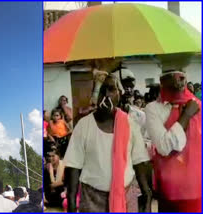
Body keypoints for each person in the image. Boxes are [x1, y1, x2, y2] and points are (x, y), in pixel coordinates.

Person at [64, 74, 152, 212]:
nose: (106, 95)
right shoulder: (84, 125)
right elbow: (74, 166)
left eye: (111, 89)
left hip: (125, 197)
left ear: (120, 93)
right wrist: (71, 201)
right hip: (92, 199)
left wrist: (147, 194)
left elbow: (139, 161)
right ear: (94, 95)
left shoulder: (130, 124)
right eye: (101, 90)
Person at [145, 57, 201, 212]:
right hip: (170, 190)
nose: (180, 83)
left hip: (197, 189)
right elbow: (164, 147)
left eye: (183, 78)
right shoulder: (154, 109)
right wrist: (186, 116)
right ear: (162, 81)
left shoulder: (198, 106)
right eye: (175, 79)